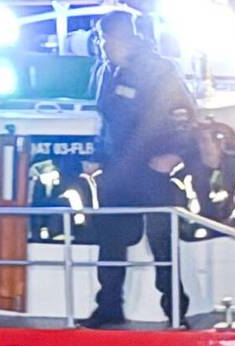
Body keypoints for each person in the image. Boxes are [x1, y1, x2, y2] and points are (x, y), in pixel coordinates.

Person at [81, 9, 196, 328]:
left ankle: (176, 312)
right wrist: (97, 158)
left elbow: (184, 114)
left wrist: (174, 154)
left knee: (162, 245)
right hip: (117, 172)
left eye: (105, 39)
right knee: (110, 243)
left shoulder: (159, 70)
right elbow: (106, 122)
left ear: (122, 37)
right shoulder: (107, 72)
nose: (103, 46)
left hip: (151, 171)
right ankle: (108, 308)